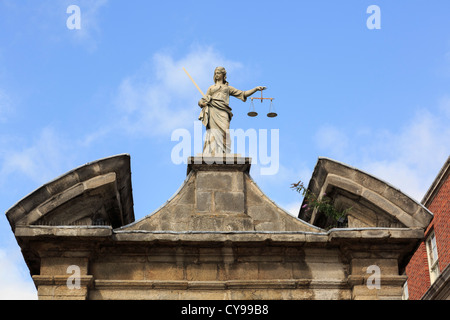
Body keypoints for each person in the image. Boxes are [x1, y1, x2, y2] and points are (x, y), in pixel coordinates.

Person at [198, 66, 266, 155]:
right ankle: (212, 152)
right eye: (215, 73)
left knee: (225, 131)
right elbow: (202, 101)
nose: (216, 74)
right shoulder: (211, 88)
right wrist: (202, 103)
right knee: (213, 132)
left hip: (223, 111)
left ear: (223, 75)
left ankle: (224, 152)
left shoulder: (228, 88)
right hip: (213, 110)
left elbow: (243, 94)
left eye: (218, 73)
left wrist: (256, 89)